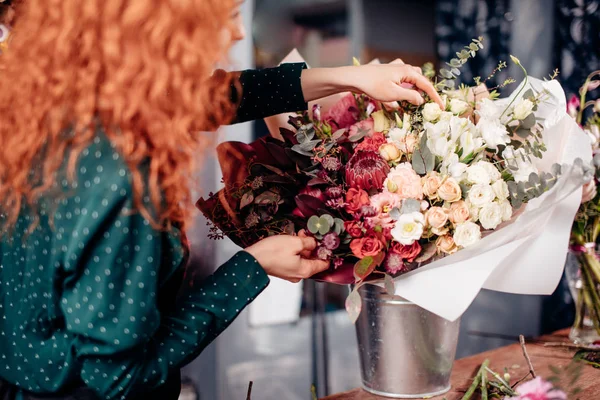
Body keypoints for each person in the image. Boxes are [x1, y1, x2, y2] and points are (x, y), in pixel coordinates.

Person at [0, 1, 442, 399]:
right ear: (161, 25)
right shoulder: (121, 175)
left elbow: (205, 98)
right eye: (224, 16)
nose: (236, 34)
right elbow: (119, 379)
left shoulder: (40, 96)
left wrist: (347, 78)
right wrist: (253, 267)